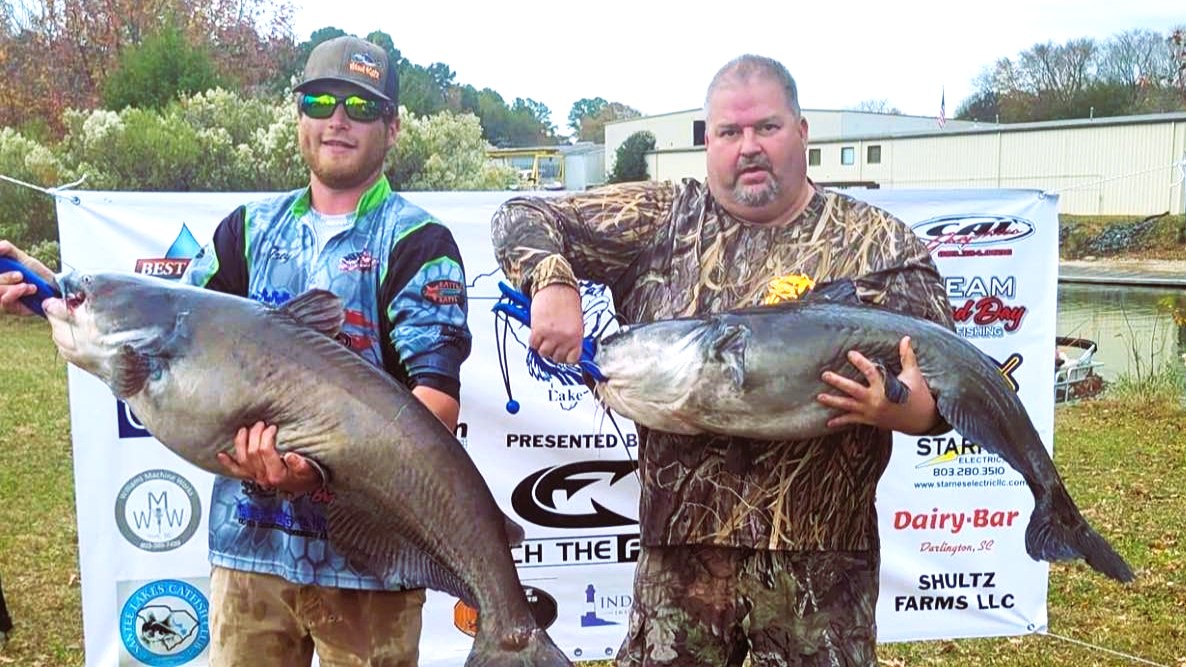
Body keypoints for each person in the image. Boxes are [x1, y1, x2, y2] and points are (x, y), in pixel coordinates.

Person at [1, 35, 472, 666]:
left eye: (360, 107)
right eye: (322, 100)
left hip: (370, 575)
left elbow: (434, 409)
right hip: (248, 556)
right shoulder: (245, 230)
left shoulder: (419, 240)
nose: (337, 119)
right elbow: (154, 338)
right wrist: (50, 291)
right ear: (299, 114)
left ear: (391, 126)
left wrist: (314, 468)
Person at [491, 54, 953, 666]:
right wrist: (552, 281)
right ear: (708, 142)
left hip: (822, 568)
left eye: (767, 127)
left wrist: (902, 410)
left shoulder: (879, 243)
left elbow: (949, 387)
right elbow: (521, 215)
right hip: (679, 560)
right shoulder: (664, 218)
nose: (749, 148)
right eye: (729, 133)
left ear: (803, 132)